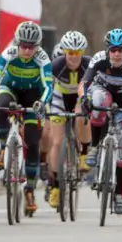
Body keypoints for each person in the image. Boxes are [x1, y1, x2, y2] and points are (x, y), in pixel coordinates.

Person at [0, 21, 53, 215]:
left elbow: (49, 85)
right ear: (17, 43)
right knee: (2, 106)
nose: (26, 50)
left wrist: (42, 102)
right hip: (11, 88)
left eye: (31, 47)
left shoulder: (42, 58)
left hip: (33, 94)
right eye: (23, 45)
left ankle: (30, 191)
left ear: (37, 47)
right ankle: (2, 148)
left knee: (32, 141)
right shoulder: (9, 53)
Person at [79, 28, 122, 215]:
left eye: (120, 51)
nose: (116, 54)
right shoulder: (99, 59)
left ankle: (117, 194)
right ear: (108, 50)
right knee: (99, 101)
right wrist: (84, 99)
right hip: (103, 92)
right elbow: (85, 82)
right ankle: (95, 146)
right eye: (113, 50)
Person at [44, 31, 92, 210]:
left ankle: (84, 153)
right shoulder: (55, 66)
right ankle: (56, 185)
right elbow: (47, 89)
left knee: (82, 114)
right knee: (56, 141)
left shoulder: (89, 65)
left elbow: (93, 86)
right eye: (70, 53)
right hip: (59, 99)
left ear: (82, 52)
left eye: (77, 52)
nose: (73, 57)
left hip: (79, 97)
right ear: (64, 52)